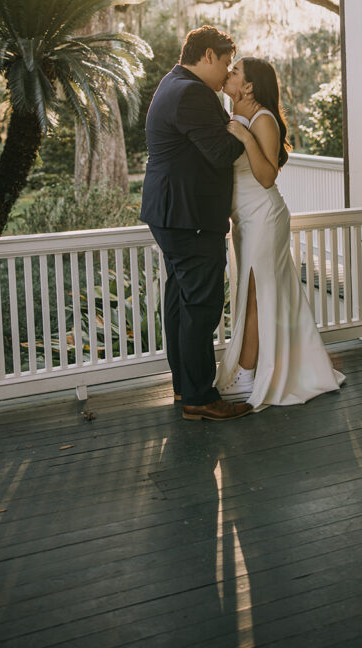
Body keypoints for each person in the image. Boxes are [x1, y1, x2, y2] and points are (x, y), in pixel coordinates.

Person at [215, 57, 344, 409]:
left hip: (264, 215)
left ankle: (248, 372)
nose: (228, 74)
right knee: (252, 291)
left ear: (250, 86)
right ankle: (273, 364)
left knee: (256, 293)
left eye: (236, 71)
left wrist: (243, 135)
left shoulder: (263, 120)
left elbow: (267, 176)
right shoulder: (234, 116)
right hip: (243, 218)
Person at [140, 26, 252, 422]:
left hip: (173, 213)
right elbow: (222, 152)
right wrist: (245, 119)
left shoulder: (174, 83)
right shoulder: (191, 92)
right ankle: (200, 396)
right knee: (201, 306)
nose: (226, 75)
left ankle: (184, 387)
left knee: (181, 301)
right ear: (207, 55)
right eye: (224, 63)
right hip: (189, 216)